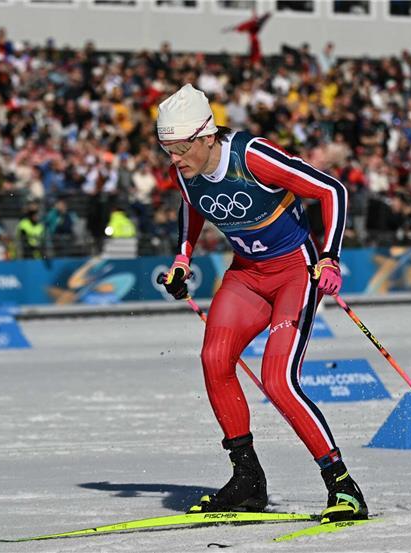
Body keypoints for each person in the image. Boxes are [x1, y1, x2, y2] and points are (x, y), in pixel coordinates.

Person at [156, 84, 367, 522]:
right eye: (166, 150)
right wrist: (182, 257)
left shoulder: (252, 156)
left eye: (179, 149)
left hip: (294, 272)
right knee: (214, 358)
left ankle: (343, 486)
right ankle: (247, 481)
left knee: (277, 380)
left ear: (206, 136)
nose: (174, 160)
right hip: (248, 274)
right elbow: (192, 206)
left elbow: (331, 191)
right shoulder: (185, 169)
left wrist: (330, 256)